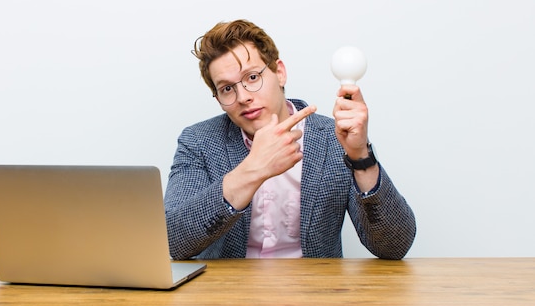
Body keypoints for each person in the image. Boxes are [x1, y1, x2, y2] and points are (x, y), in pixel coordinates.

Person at [164, 19, 416, 260]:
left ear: (280, 72)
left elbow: (394, 246)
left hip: (314, 296)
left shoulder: (333, 138)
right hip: (230, 297)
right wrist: (253, 169)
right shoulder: (198, 142)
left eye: (252, 77)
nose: (242, 97)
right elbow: (175, 241)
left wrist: (361, 157)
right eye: (227, 88)